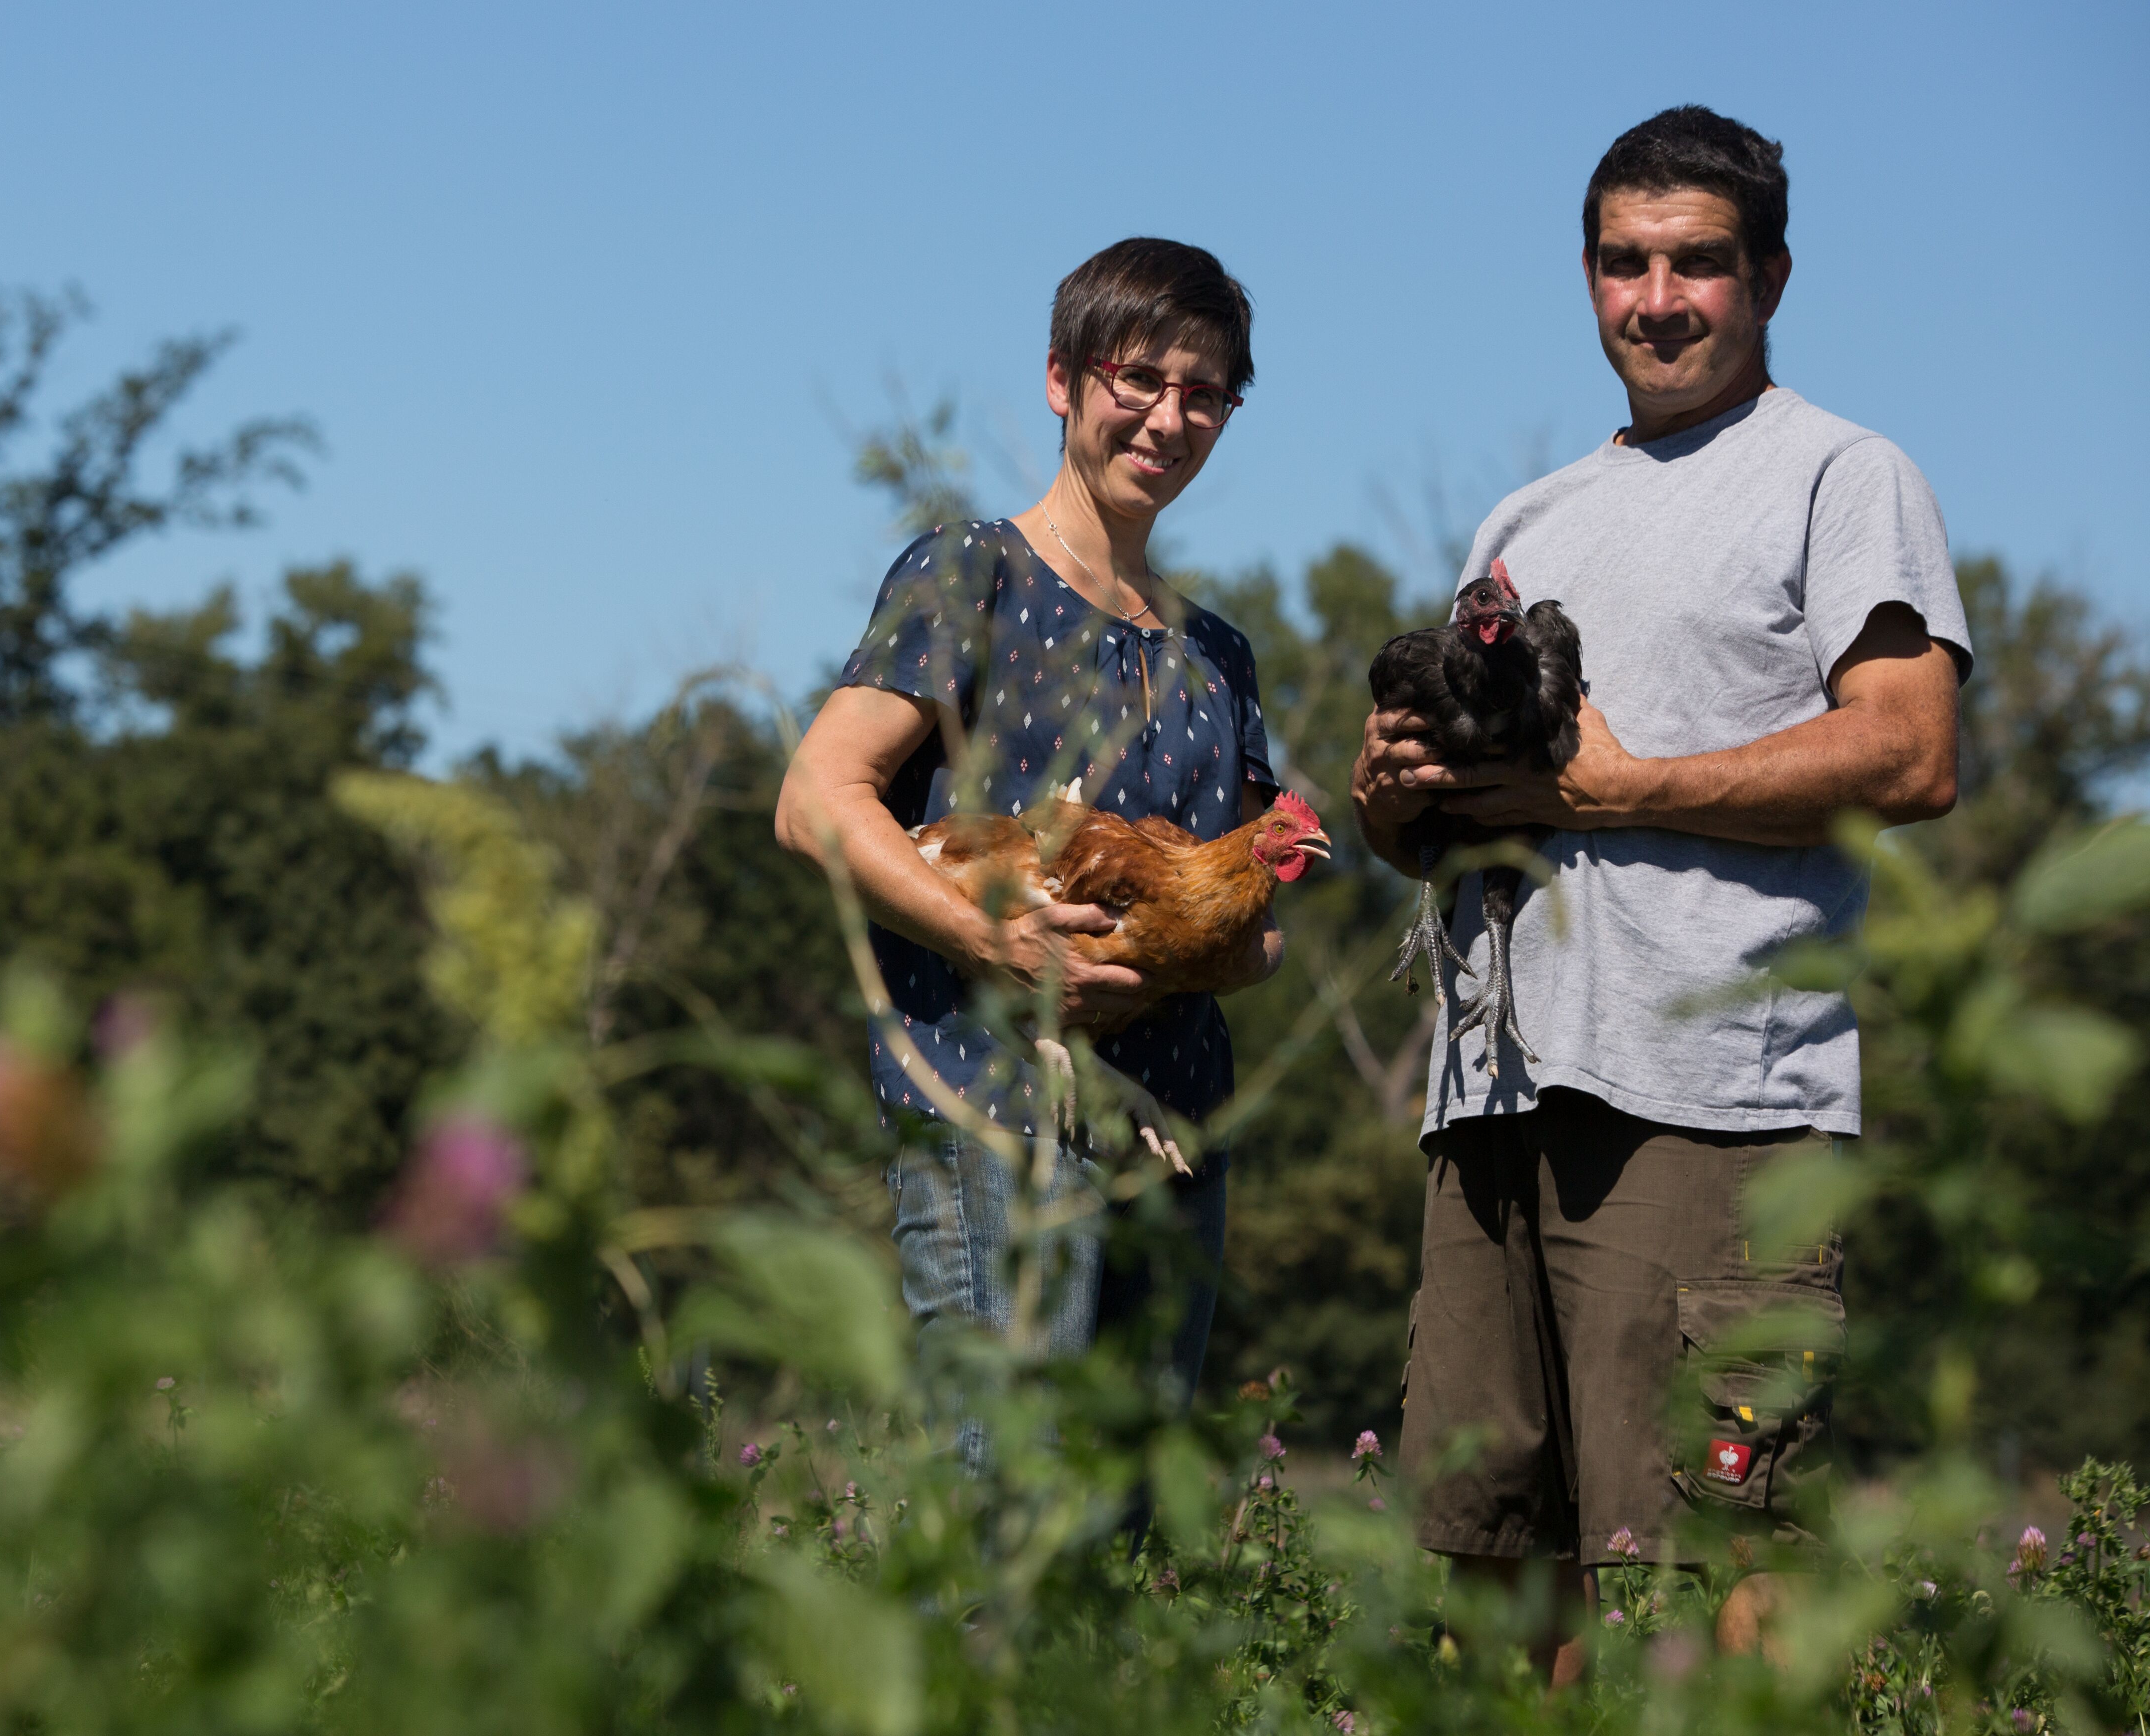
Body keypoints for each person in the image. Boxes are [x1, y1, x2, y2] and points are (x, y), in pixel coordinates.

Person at [1351, 107, 1967, 1676]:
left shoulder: (1839, 475)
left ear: (1768, 275)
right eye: (1627, 264)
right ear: (1587, 276)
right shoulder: (1526, 522)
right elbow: (1474, 823)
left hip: (1710, 1109)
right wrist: (1398, 801)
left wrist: (1628, 791)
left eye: (1699, 264)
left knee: (1705, 1591)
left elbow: (1909, 753)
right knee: (1491, 1584)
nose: (1660, 298)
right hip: (1491, 1107)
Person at [776, 237, 1285, 1422]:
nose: (1169, 419)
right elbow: (817, 801)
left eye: (1205, 394)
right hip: (996, 1117)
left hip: (1171, 1130)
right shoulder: (974, 574)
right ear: (1063, 380)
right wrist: (991, 938)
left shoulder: (1217, 656)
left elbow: (1261, 931)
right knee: (1005, 1516)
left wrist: (1201, 952)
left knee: (1126, 1535)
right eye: (1138, 379)